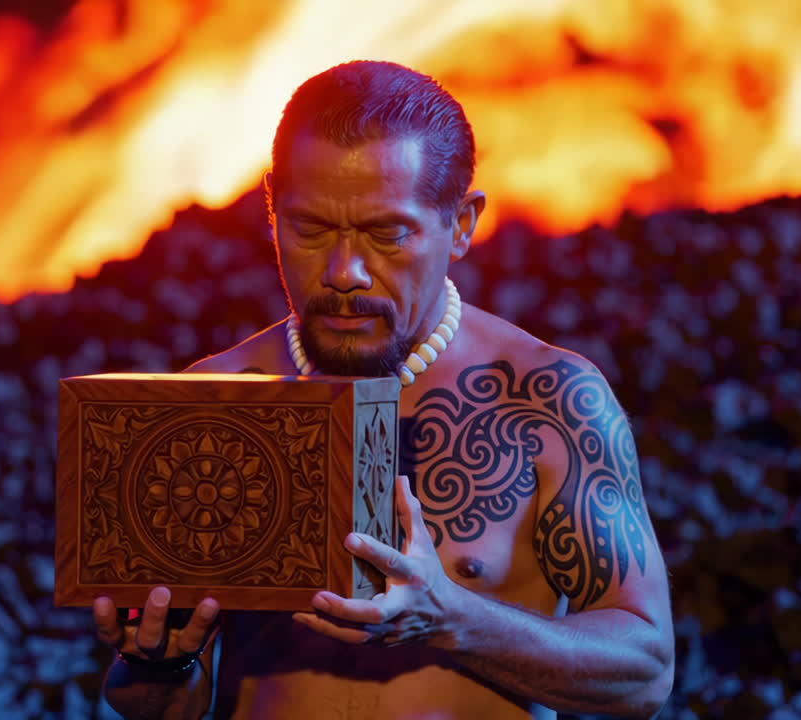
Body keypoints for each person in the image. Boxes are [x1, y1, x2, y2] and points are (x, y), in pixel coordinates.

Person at [92, 60, 674, 720]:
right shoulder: (213, 400)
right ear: (271, 209)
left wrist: (453, 619)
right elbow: (161, 705)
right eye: (311, 230)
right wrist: (160, 662)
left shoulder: (545, 400)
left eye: (387, 233)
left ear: (462, 224)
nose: (345, 271)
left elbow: (644, 674)